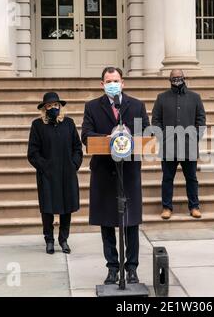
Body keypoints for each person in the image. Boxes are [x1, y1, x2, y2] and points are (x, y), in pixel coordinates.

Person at [81, 67, 150, 285]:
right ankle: (112, 268)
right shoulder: (92, 107)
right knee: (107, 223)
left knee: (130, 223)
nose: (113, 84)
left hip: (128, 173)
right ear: (102, 84)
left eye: (116, 80)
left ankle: (131, 268)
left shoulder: (137, 105)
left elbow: (147, 135)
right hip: (104, 172)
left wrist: (130, 134)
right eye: (108, 81)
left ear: (123, 83)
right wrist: (109, 137)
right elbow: (86, 136)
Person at [27, 92, 83, 255]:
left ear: (60, 106)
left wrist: (74, 164)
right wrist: (44, 167)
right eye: (50, 106)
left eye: (56, 105)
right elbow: (33, 152)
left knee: (67, 208)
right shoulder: (37, 125)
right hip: (48, 175)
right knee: (48, 209)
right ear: (44, 108)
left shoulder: (69, 123)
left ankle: (63, 239)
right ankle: (49, 240)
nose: (53, 108)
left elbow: (77, 148)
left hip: (67, 173)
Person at [151, 69, 206, 220]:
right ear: (169, 80)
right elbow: (155, 120)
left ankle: (194, 206)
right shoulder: (161, 98)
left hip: (189, 145)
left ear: (184, 78)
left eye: (179, 77)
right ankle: (167, 207)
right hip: (168, 146)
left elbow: (201, 120)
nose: (177, 80)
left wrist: (195, 137)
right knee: (167, 178)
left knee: (192, 178)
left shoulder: (195, 97)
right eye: (174, 78)